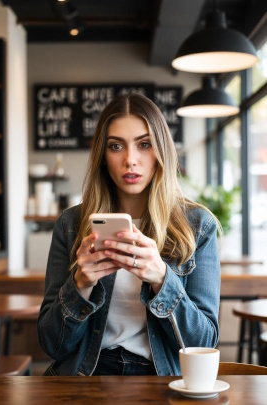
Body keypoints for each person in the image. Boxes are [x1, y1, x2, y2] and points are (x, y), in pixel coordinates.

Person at [38, 93, 221, 376]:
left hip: (160, 378)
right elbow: (53, 345)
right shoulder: (71, 224)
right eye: (116, 146)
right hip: (86, 376)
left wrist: (162, 278)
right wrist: (81, 283)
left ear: (161, 151)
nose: (130, 160)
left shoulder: (197, 226)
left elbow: (204, 342)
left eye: (144, 144)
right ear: (102, 156)